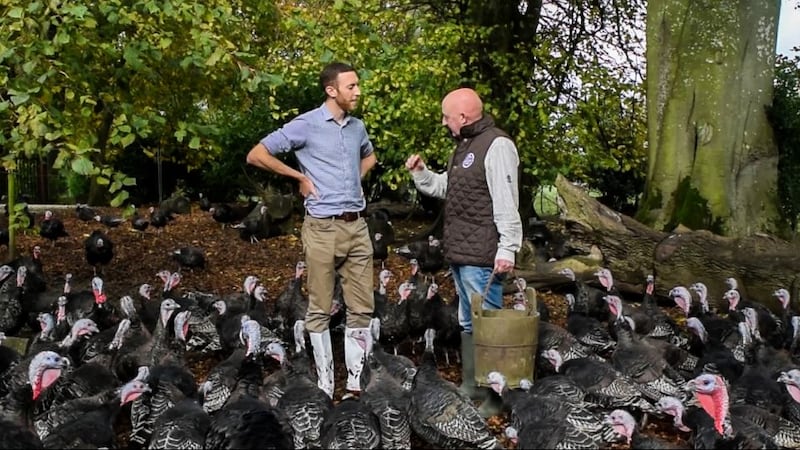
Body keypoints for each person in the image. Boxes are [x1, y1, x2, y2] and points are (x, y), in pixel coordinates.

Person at [246, 62, 376, 399]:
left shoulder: (357, 127)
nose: (358, 91)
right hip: (322, 229)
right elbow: (257, 154)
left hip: (358, 226)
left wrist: (353, 183)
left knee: (362, 308)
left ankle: (354, 386)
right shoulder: (306, 125)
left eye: (358, 85)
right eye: (351, 86)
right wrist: (300, 177)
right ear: (331, 90)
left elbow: (369, 159)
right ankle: (324, 386)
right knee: (319, 308)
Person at [405, 87, 522, 415]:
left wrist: (508, 248)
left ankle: (496, 397)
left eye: (446, 116)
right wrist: (421, 175)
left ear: (463, 116)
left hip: (484, 253)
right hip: (460, 252)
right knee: (468, 320)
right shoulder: (464, 147)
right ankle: (472, 384)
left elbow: (506, 199)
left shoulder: (497, 145)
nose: (443, 123)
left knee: (488, 323)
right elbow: (448, 189)